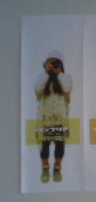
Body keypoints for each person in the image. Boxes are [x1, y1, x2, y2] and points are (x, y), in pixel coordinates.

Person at [34, 51, 72, 183]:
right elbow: (37, 89)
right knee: (44, 145)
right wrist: (47, 74)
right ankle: (45, 169)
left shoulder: (65, 78)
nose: (51, 66)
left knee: (60, 145)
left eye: (55, 63)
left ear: (60, 65)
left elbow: (67, 89)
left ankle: (57, 168)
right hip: (45, 119)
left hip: (60, 119)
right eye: (49, 63)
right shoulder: (42, 78)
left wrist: (57, 73)